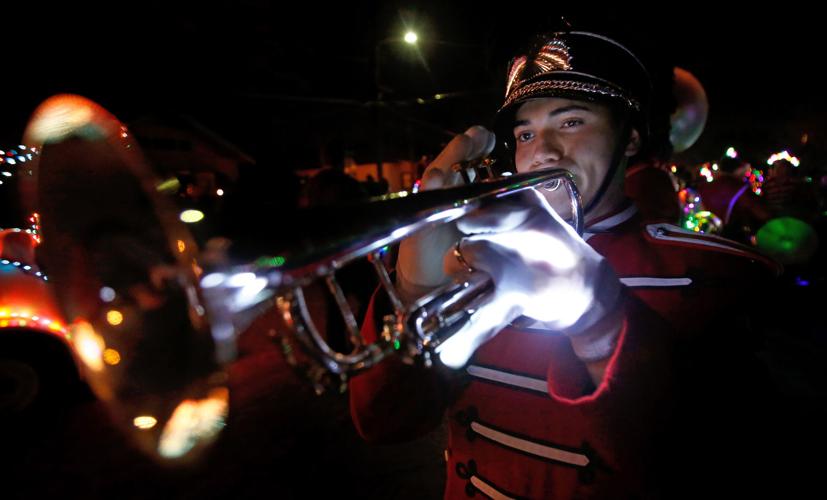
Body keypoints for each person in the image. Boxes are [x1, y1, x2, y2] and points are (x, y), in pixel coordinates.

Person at [350, 30, 790, 498]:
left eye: (572, 122)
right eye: (525, 133)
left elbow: (721, 460)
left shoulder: (710, 273)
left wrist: (601, 322)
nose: (543, 151)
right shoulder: (473, 263)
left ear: (631, 139)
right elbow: (383, 422)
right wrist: (414, 292)